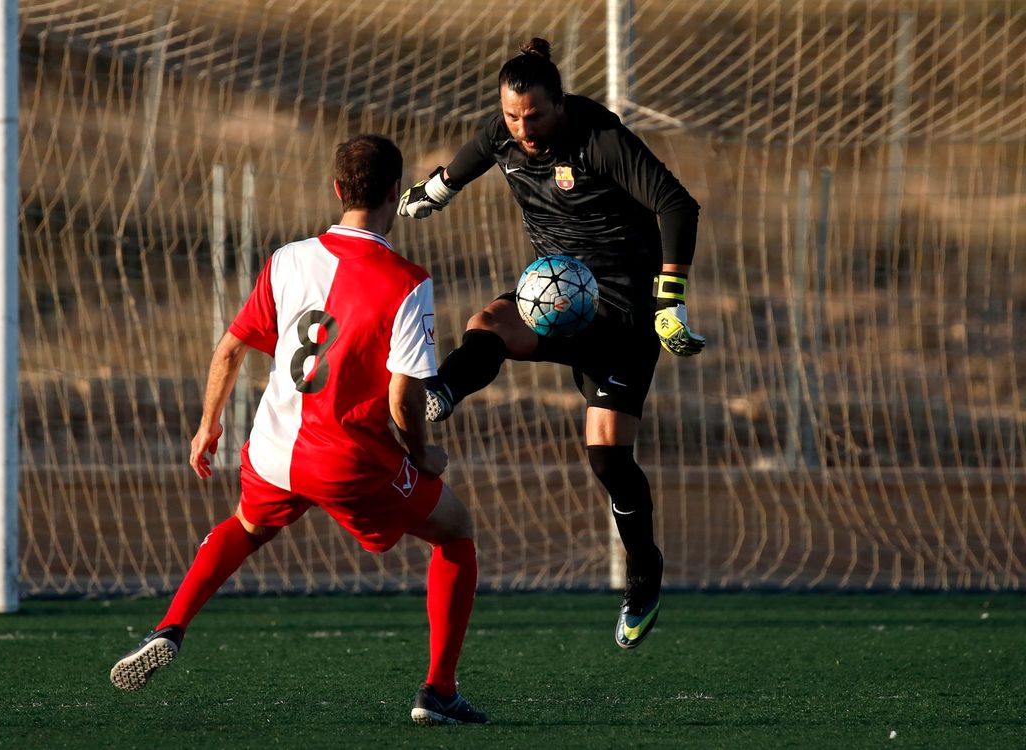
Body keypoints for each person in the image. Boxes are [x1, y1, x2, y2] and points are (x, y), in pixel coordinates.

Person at [110, 134, 488, 726]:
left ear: (337, 190)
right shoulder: (408, 281)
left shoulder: (287, 258)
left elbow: (230, 348)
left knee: (246, 526)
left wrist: (207, 426)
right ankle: (439, 691)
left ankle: (170, 626)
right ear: (396, 191)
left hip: (273, 449)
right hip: (348, 462)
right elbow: (403, 395)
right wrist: (422, 455)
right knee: (456, 531)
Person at [397, 38, 706, 650]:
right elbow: (474, 154)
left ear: (560, 104)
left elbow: (677, 205)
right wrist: (439, 188)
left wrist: (669, 299)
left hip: (622, 312)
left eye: (534, 115)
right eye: (512, 116)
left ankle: (644, 574)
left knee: (607, 459)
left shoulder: (600, 140)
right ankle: (443, 392)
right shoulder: (505, 133)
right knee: (489, 321)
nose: (523, 128)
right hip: (556, 296)